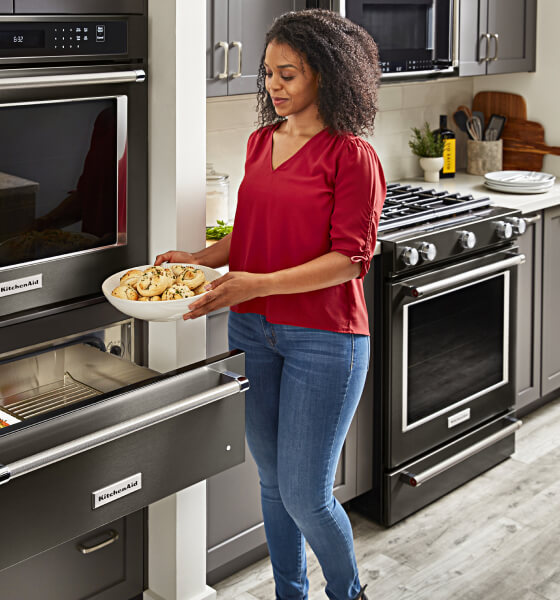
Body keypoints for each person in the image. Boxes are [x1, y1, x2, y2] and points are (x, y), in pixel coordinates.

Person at [154, 9, 384, 600]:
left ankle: (348, 593)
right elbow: (253, 227)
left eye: (288, 74)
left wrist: (254, 284)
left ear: (327, 76)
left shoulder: (351, 155)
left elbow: (350, 259)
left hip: (325, 339)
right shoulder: (261, 142)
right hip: (253, 332)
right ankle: (290, 595)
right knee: (274, 482)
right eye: (268, 74)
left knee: (308, 493)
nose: (273, 87)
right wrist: (203, 258)